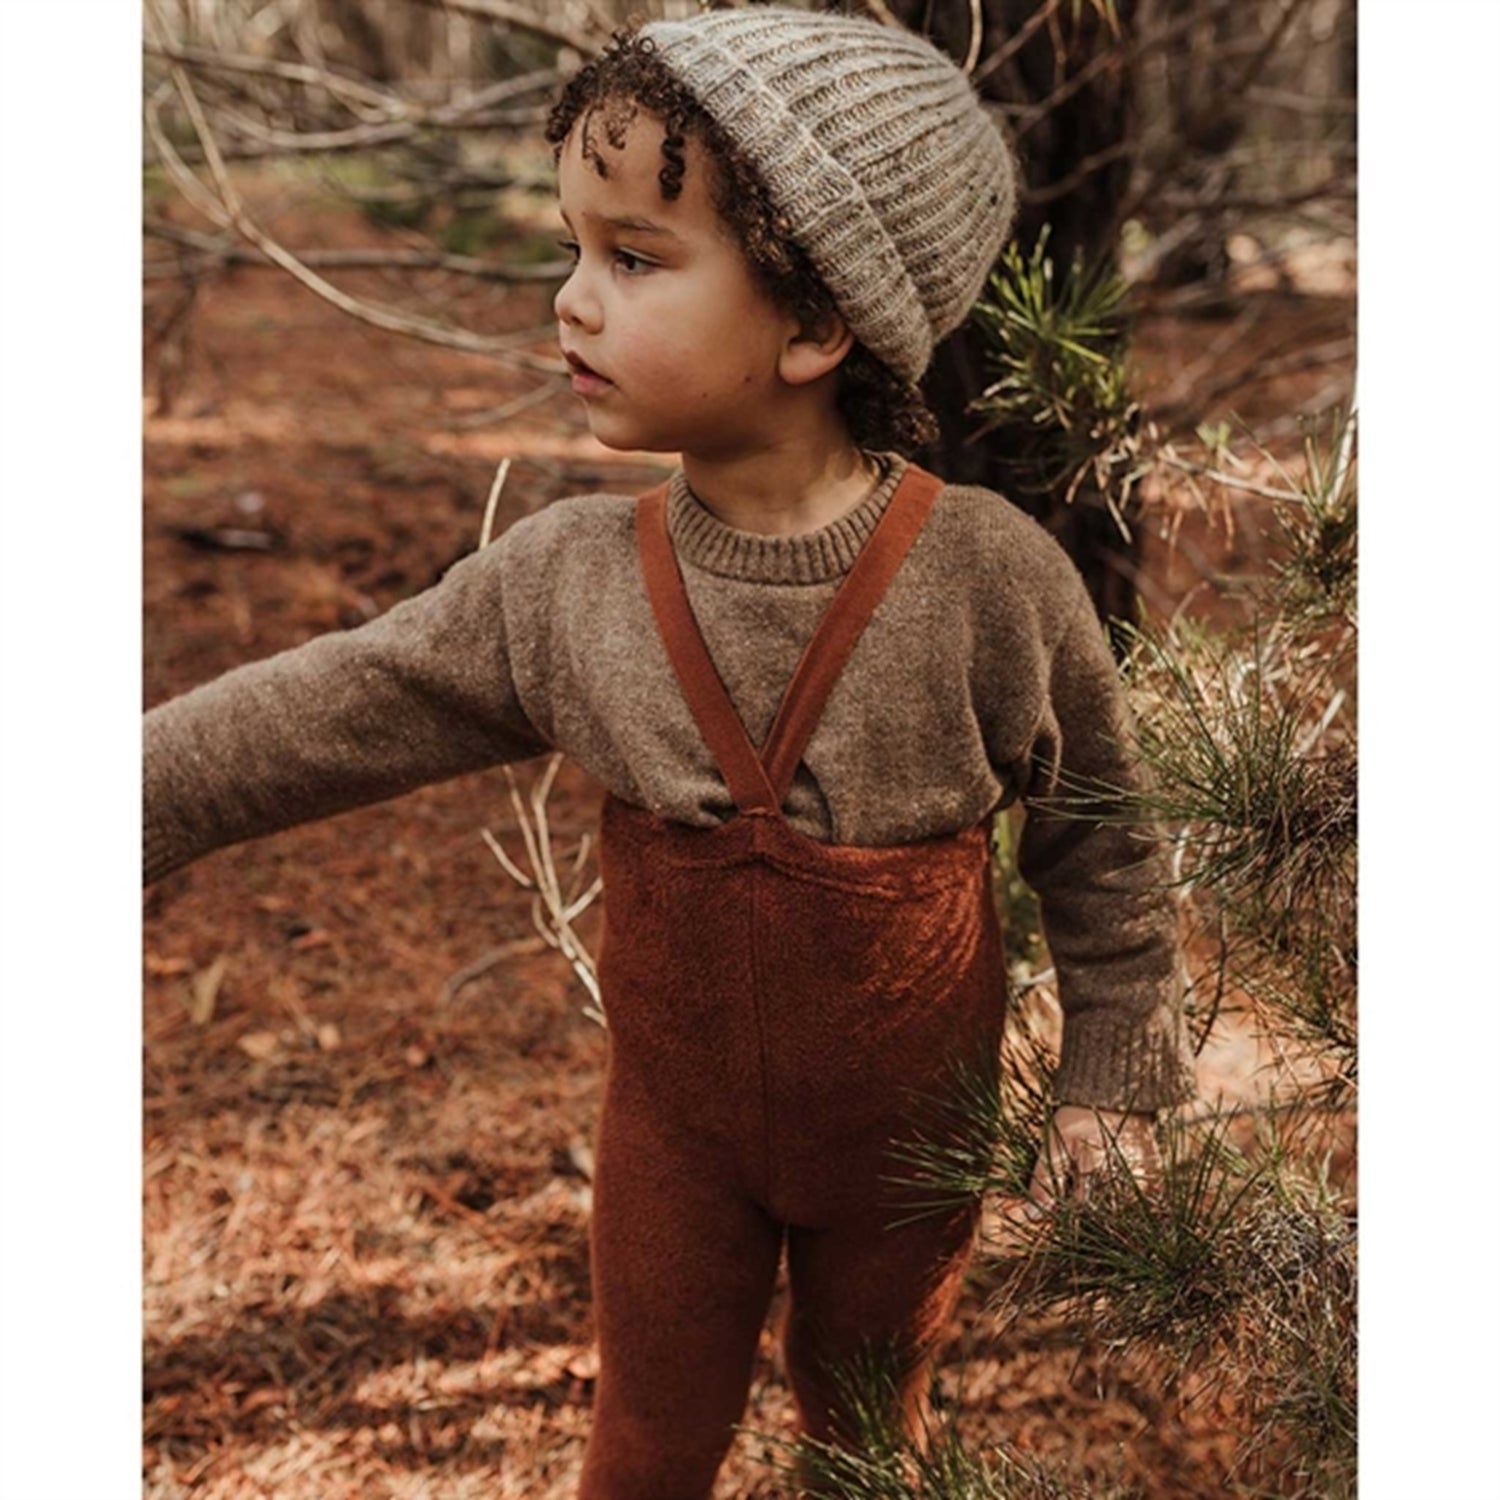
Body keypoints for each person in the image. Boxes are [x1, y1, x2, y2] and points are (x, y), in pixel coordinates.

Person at [144, 9, 1196, 1497]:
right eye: (571, 248)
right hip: (674, 1149)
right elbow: (332, 705)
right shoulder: (568, 583)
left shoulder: (986, 579)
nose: (570, 301)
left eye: (635, 259)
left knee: (869, 1438)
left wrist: (1115, 1076)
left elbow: (1105, 837)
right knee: (643, 1445)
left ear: (816, 325)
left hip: (912, 1152)